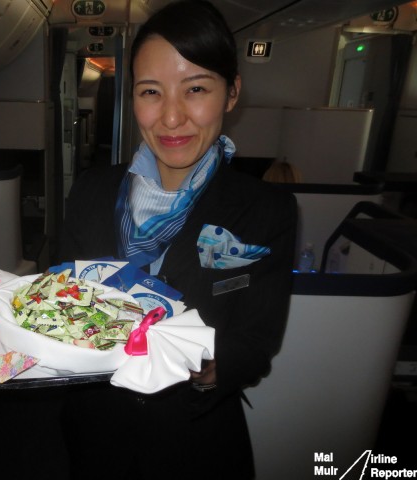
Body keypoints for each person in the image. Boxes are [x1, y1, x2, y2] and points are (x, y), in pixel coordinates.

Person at [58, 1, 298, 479]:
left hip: (196, 438)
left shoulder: (266, 209)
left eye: (195, 90)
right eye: (151, 92)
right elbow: (66, 299)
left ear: (231, 94)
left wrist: (209, 368)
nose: (171, 118)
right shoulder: (89, 191)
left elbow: (257, 342)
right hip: (97, 430)